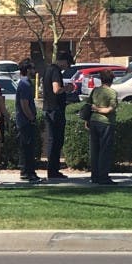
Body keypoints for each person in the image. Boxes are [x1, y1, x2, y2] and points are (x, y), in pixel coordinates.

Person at [41, 50, 73, 179]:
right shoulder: (55, 70)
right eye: (68, 63)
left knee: (52, 140)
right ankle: (53, 171)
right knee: (56, 141)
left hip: (48, 109)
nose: (68, 66)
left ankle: (52, 170)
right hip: (55, 110)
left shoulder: (48, 69)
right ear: (63, 61)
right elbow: (56, 89)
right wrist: (67, 88)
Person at [87, 68, 118, 185]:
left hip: (94, 121)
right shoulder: (112, 92)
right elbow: (111, 109)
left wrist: (88, 119)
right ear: (111, 80)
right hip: (106, 123)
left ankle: (95, 176)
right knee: (105, 150)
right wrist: (100, 109)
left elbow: (89, 105)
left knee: (95, 150)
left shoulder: (95, 90)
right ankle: (103, 177)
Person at [13, 59, 41, 183]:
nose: (34, 71)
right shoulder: (25, 84)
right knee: (27, 148)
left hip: (25, 121)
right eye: (32, 69)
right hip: (25, 122)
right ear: (28, 70)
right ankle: (28, 173)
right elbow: (24, 104)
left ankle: (27, 172)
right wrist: (31, 118)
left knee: (27, 147)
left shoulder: (25, 83)